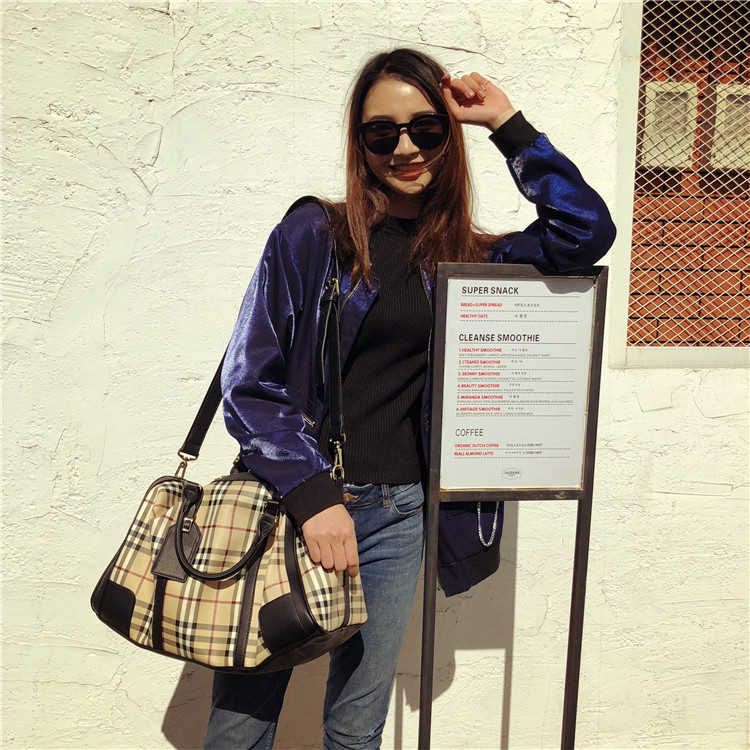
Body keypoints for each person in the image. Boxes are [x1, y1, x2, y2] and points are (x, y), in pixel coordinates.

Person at [204, 48, 615, 750]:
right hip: (294, 508)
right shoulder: (315, 236)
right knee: (241, 729)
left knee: (356, 728)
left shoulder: (466, 255)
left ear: (448, 136)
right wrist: (314, 497)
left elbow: (586, 232)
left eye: (425, 129)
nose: (404, 148)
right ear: (359, 143)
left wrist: (508, 126)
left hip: (397, 515)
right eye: (381, 132)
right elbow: (250, 382)